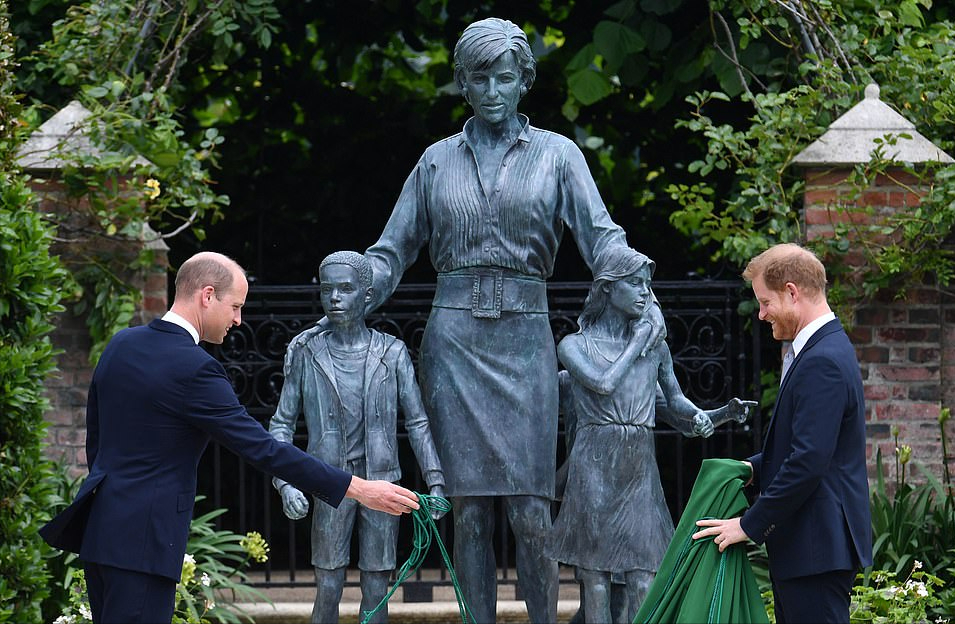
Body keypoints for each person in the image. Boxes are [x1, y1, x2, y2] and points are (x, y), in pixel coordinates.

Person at [39, 251, 420, 624]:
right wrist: (359, 489)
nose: (238, 320)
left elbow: (98, 439)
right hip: (145, 543)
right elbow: (264, 448)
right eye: (235, 306)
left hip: (101, 533)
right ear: (207, 296)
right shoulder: (195, 369)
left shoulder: (122, 344)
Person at [546, 247, 755, 623]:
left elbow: (677, 407)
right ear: (608, 288)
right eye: (635, 283)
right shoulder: (574, 346)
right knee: (594, 576)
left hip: (638, 468)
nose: (645, 293)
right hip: (594, 464)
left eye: (647, 284)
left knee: (644, 573)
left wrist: (720, 415)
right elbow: (603, 384)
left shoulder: (655, 350)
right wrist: (639, 342)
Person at [692, 243, 872, 623]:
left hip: (816, 551)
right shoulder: (819, 351)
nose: (761, 314)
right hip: (810, 549)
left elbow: (808, 461)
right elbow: (805, 447)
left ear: (792, 292)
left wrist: (748, 524)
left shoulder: (822, 359)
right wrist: (751, 468)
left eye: (765, 301)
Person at [268, 251, 446, 624]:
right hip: (328, 481)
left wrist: (436, 481)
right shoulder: (307, 354)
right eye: (327, 289)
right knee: (328, 583)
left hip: (382, 481)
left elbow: (417, 422)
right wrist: (286, 483)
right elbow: (281, 424)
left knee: (377, 586)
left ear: (367, 295)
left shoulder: (393, 353)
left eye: (345, 289)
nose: (334, 298)